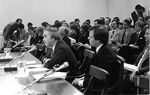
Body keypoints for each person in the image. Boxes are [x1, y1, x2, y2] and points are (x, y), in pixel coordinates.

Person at [73, 26, 120, 95]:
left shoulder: (107, 54)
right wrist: (82, 79)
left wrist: (81, 82)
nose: (88, 38)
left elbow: (100, 78)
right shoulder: (100, 49)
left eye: (91, 37)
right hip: (95, 83)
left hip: (101, 88)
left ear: (98, 40)